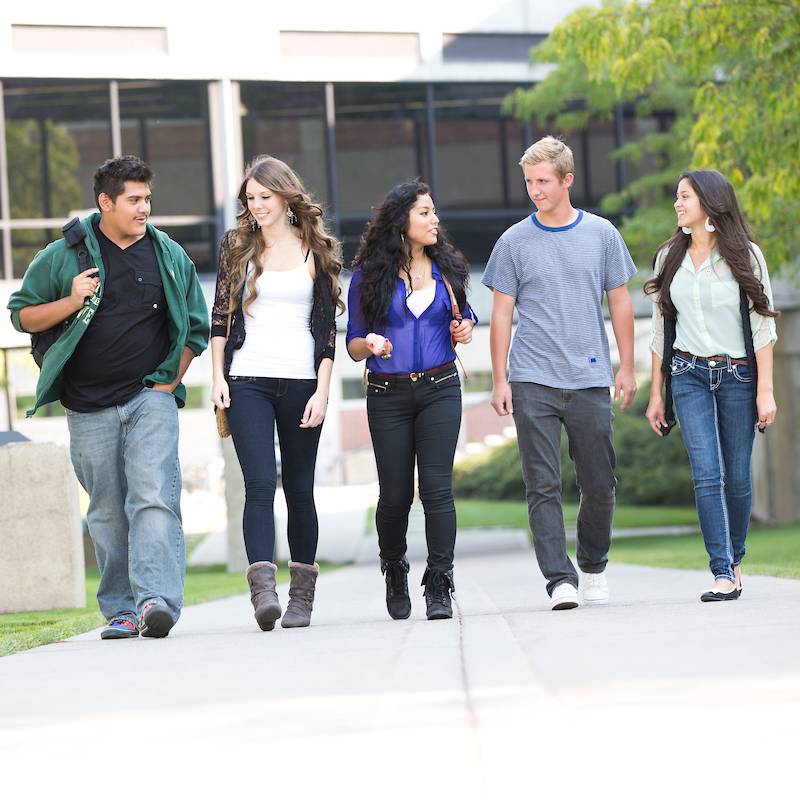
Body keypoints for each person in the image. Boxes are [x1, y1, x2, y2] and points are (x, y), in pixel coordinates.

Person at [7, 155, 210, 639]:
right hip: (87, 405)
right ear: (105, 202)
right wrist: (71, 301)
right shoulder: (62, 256)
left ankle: (155, 602)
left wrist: (167, 381)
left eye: (148, 199)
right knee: (105, 508)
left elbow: (196, 329)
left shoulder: (168, 254)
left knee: (153, 496)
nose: (145, 209)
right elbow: (22, 316)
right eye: (134, 200)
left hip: (149, 399)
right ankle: (120, 609)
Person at [483, 136, 637, 611]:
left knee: (599, 483)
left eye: (543, 181)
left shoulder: (602, 235)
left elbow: (621, 304)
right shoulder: (513, 242)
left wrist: (626, 367)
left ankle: (592, 565)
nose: (535, 190)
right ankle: (559, 579)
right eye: (529, 182)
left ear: (567, 180)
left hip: (590, 376)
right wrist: (500, 378)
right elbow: (502, 314)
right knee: (542, 485)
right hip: (533, 379)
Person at [211, 155, 342, 631]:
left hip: (303, 383)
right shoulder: (237, 246)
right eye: (250, 199)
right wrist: (218, 376)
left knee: (301, 490)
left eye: (264, 197)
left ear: (286, 196)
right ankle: (264, 591)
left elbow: (328, 330)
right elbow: (221, 316)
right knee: (260, 484)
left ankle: (301, 599)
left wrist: (323, 391)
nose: (257, 206)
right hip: (248, 380)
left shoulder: (316, 248)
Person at [645, 169, 778, 602]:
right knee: (707, 474)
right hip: (688, 376)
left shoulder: (746, 255)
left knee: (737, 477)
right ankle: (721, 571)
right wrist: (655, 395)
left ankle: (735, 560)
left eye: (685, 196)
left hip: (738, 376)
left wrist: (766, 391)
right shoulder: (669, 258)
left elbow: (762, 328)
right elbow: (660, 332)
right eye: (676, 197)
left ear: (709, 201)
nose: (677, 204)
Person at [346, 179, 476, 621]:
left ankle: (440, 582)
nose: (434, 220)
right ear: (402, 220)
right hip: (388, 393)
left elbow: (464, 316)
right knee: (395, 495)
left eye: (434, 212)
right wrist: (371, 344)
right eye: (425, 213)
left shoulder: (448, 266)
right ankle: (394, 567)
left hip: (440, 387)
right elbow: (353, 344)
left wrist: (464, 328)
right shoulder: (368, 273)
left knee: (438, 489)